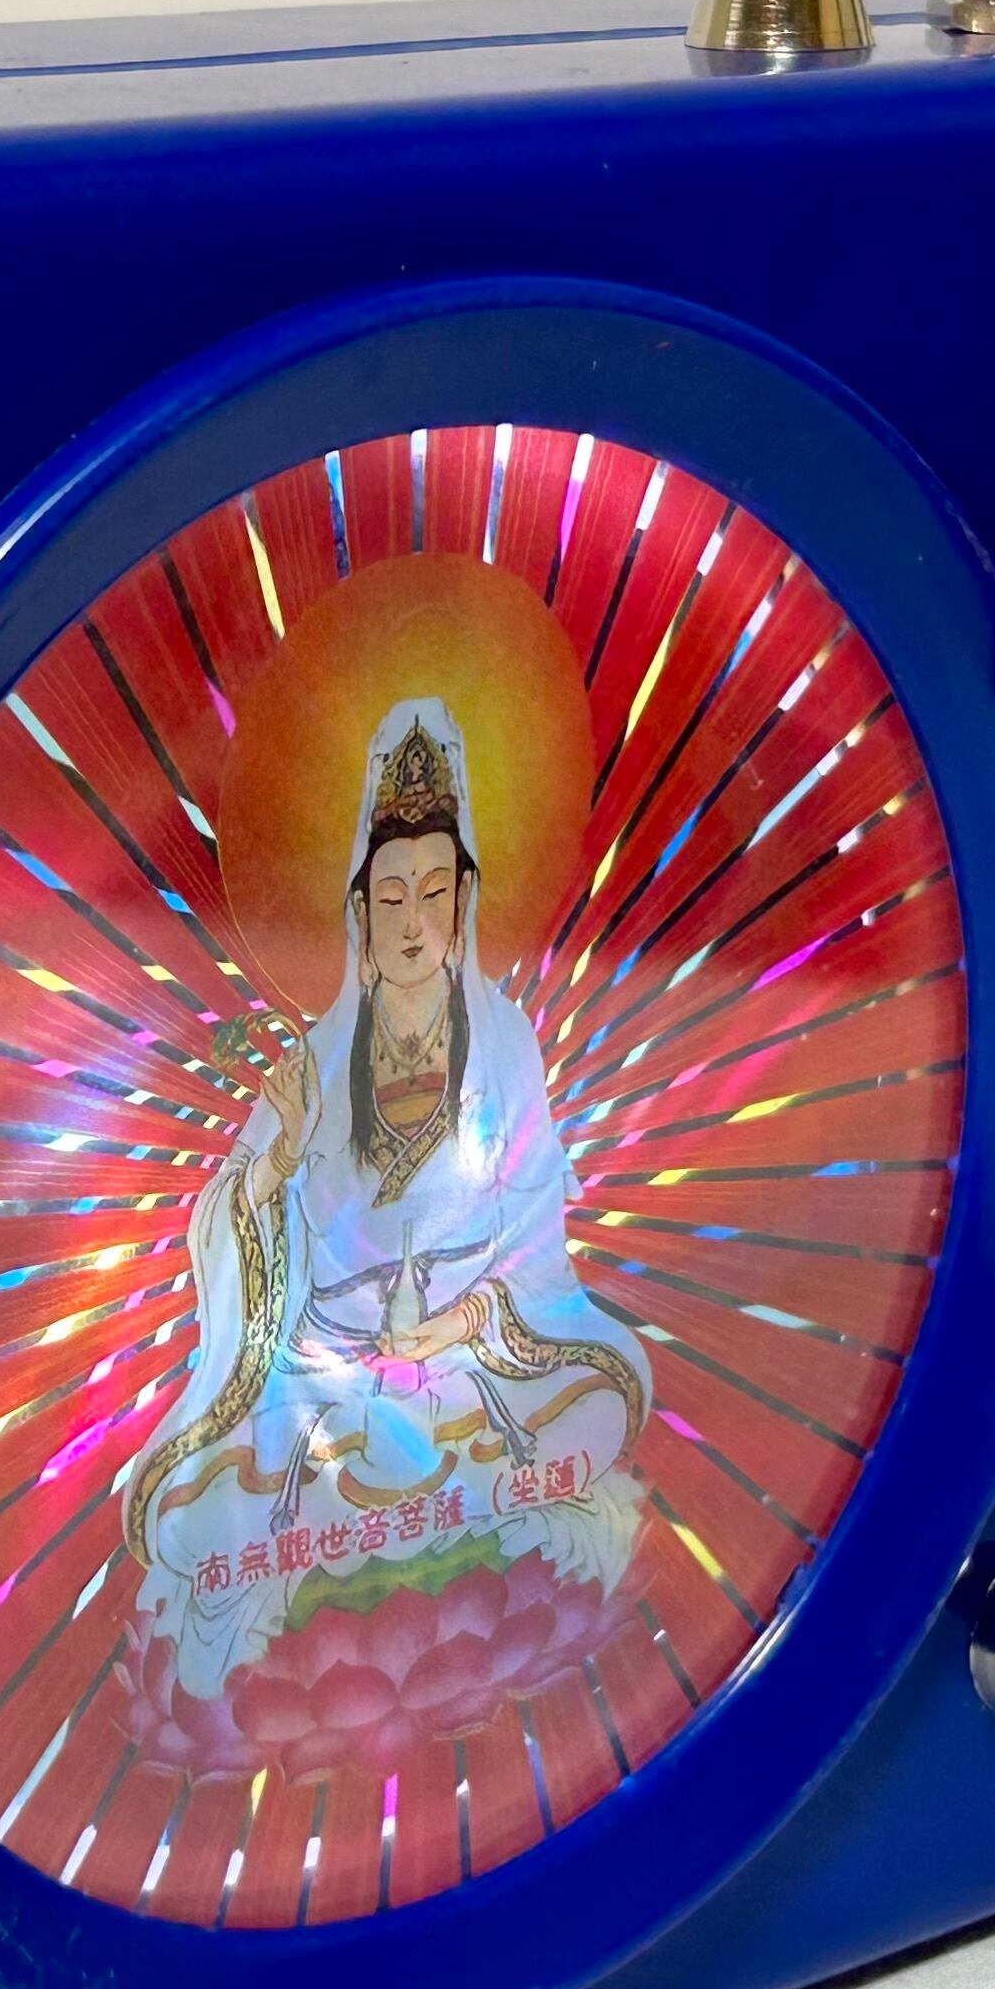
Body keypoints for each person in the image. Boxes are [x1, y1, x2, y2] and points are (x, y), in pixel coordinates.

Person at [120, 697, 651, 1706]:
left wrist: (465, 1321)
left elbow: (537, 1242)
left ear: (465, 902)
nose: (413, 923)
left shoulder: (509, 1045)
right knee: (212, 1520)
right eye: (391, 895)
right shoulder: (314, 1063)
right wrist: (277, 1162)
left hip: (474, 1361)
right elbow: (231, 1224)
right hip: (325, 1378)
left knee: (595, 1416)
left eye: (434, 894)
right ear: (358, 914)